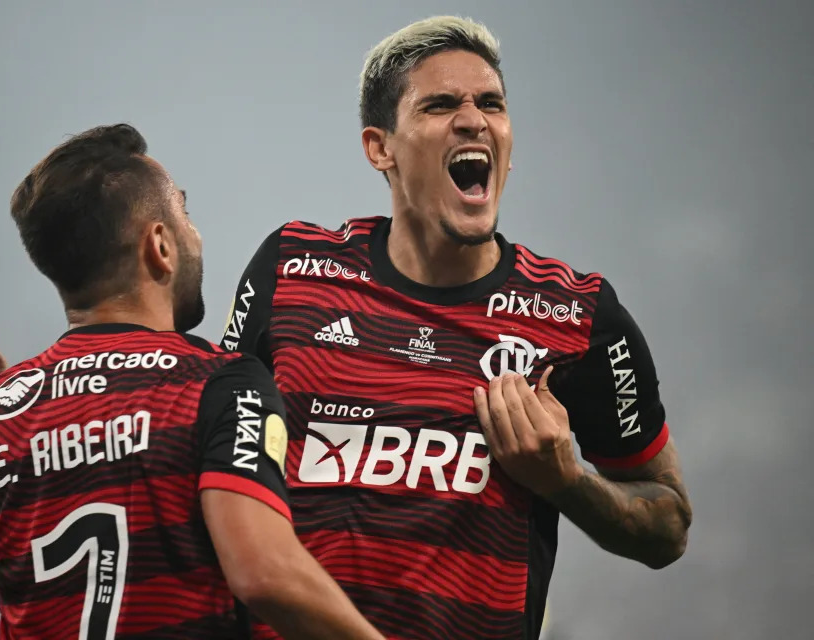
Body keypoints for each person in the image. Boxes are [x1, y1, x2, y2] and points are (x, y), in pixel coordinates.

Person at [217, 15, 693, 639]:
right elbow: (210, 466)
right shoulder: (292, 270)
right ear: (379, 147)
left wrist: (567, 482)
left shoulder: (580, 317)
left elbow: (669, 526)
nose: (474, 119)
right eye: (441, 105)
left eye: (491, 103)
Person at [0, 123, 385, 640]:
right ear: (159, 245)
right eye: (183, 212)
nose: (195, 233)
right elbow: (264, 573)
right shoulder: (222, 383)